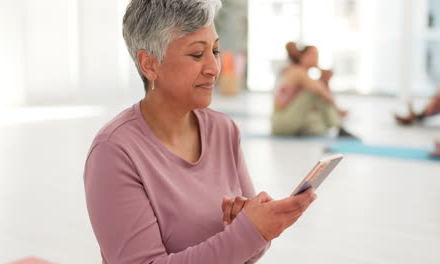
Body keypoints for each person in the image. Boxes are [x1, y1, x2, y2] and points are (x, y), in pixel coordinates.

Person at [83, 1, 317, 263]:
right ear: (149, 64)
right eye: (196, 54)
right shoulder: (114, 152)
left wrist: (253, 229)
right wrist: (248, 232)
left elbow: (250, 250)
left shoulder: (223, 130)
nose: (214, 68)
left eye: (215, 50)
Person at [271, 42, 354, 137]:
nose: (316, 59)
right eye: (313, 55)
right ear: (302, 57)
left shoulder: (301, 72)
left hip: (286, 119)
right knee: (315, 92)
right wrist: (338, 110)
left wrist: (325, 79)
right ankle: (339, 128)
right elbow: (320, 92)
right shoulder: (299, 72)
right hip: (282, 121)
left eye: (317, 55)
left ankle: (334, 126)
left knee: (318, 124)